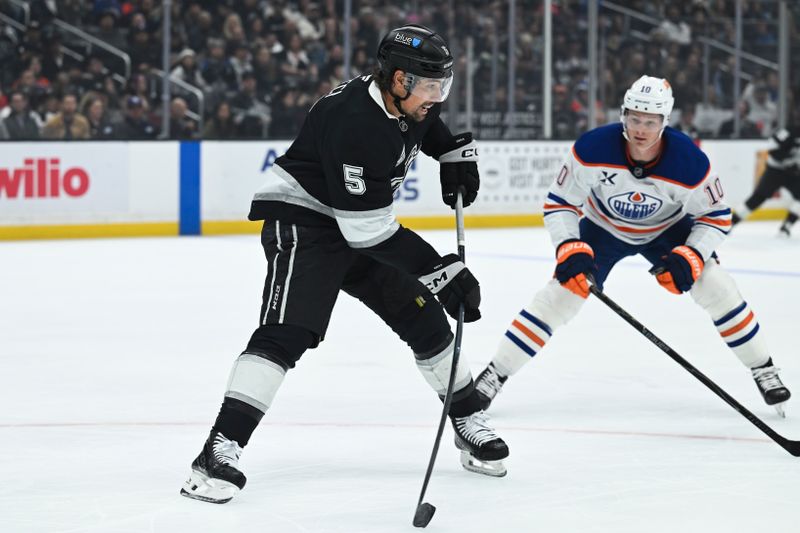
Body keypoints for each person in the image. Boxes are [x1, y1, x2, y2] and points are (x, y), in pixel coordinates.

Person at [180, 24, 508, 505]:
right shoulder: (354, 121)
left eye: (444, 85)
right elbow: (368, 232)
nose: (437, 98)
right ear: (399, 80)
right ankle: (216, 451)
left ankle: (465, 417)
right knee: (288, 333)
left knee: (424, 318)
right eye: (431, 87)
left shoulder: (403, 98)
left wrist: (450, 151)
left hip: (354, 221)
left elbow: (422, 125)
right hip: (306, 223)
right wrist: (440, 271)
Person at [474, 75, 791, 418]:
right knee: (560, 296)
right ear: (623, 114)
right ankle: (495, 374)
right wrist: (570, 246)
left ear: (664, 122)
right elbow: (560, 203)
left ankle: (763, 369)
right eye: (634, 118)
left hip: (667, 229)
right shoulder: (592, 148)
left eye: (650, 121)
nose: (641, 128)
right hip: (602, 229)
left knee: (715, 285)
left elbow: (715, 216)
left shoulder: (690, 161)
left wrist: (693, 255)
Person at [731, 125, 800, 237]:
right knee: (759, 197)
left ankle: (786, 226)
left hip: (794, 172)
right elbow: (773, 149)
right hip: (775, 171)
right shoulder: (789, 130)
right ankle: (731, 222)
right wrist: (787, 161)